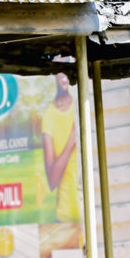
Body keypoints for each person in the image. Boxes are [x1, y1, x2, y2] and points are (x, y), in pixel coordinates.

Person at [40, 72, 80, 222]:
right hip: (66, 217)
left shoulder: (82, 104)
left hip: (91, 211)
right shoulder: (49, 115)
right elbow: (52, 181)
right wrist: (71, 139)